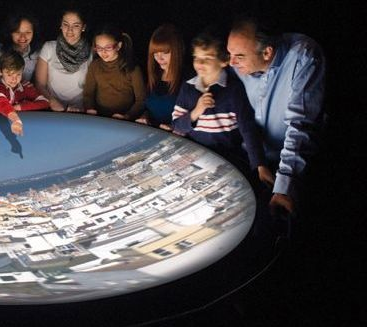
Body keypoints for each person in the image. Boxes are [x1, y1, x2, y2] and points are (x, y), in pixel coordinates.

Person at [226, 16, 325, 215]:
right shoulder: (239, 60)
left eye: (239, 56)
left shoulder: (304, 56)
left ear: (267, 52)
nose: (231, 62)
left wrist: (284, 187)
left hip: (291, 165)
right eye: (229, 53)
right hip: (253, 159)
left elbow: (300, 126)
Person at [171, 32, 273, 185]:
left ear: (224, 60)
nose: (200, 63)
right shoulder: (188, 88)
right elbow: (177, 125)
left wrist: (260, 165)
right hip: (197, 156)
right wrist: (196, 111)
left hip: (229, 159)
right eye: (196, 58)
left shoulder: (234, 90)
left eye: (207, 59)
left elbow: (247, 128)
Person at [34, 8, 92, 112]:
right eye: (66, 24)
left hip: (79, 111)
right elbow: (39, 84)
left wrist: (83, 107)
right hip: (52, 109)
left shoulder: (91, 52)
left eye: (76, 25)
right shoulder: (49, 47)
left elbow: (92, 89)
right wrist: (52, 101)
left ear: (83, 27)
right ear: (60, 25)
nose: (70, 30)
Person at [83, 25, 145, 120]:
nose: (103, 52)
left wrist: (127, 116)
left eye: (108, 47)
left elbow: (141, 100)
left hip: (125, 120)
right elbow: (88, 94)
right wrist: (90, 108)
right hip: (100, 118)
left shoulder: (132, 68)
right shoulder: (94, 66)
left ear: (118, 46)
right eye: (99, 48)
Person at [136, 23, 188, 130]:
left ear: (177, 51)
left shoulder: (188, 80)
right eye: (155, 53)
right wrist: (144, 117)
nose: (159, 58)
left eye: (165, 52)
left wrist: (175, 128)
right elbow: (149, 108)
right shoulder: (154, 75)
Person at [0, 50, 49, 136]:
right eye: (9, 75)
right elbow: (2, 103)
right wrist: (16, 119)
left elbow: (45, 102)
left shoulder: (25, 86)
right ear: (0, 71)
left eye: (18, 74)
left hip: (21, 130)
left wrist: (20, 107)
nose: (14, 79)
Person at [0, 12, 41, 92]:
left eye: (28, 32)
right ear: (10, 33)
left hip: (22, 99)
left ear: (34, 33)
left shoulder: (37, 55)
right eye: (17, 32)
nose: (23, 37)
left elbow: (35, 83)